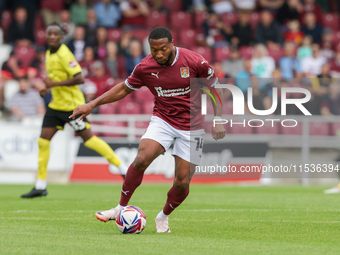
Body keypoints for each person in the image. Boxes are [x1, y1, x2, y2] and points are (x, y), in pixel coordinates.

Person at [69, 27, 226, 233]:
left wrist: (219, 118)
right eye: (154, 50)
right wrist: (92, 104)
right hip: (163, 120)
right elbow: (124, 88)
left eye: (163, 49)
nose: (158, 54)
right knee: (142, 158)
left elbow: (215, 87)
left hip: (192, 126)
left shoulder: (194, 61)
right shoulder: (145, 67)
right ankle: (120, 208)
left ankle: (163, 217)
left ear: (172, 44)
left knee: (182, 183)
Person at [21, 22, 127, 199]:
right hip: (56, 106)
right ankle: (40, 185)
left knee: (89, 140)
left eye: (56, 34)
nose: (52, 37)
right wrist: (45, 88)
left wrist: (52, 84)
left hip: (72, 106)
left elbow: (79, 78)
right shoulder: (48, 53)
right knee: (43, 141)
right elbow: (55, 78)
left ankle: (122, 167)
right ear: (46, 36)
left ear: (61, 37)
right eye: (50, 34)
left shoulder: (64, 54)